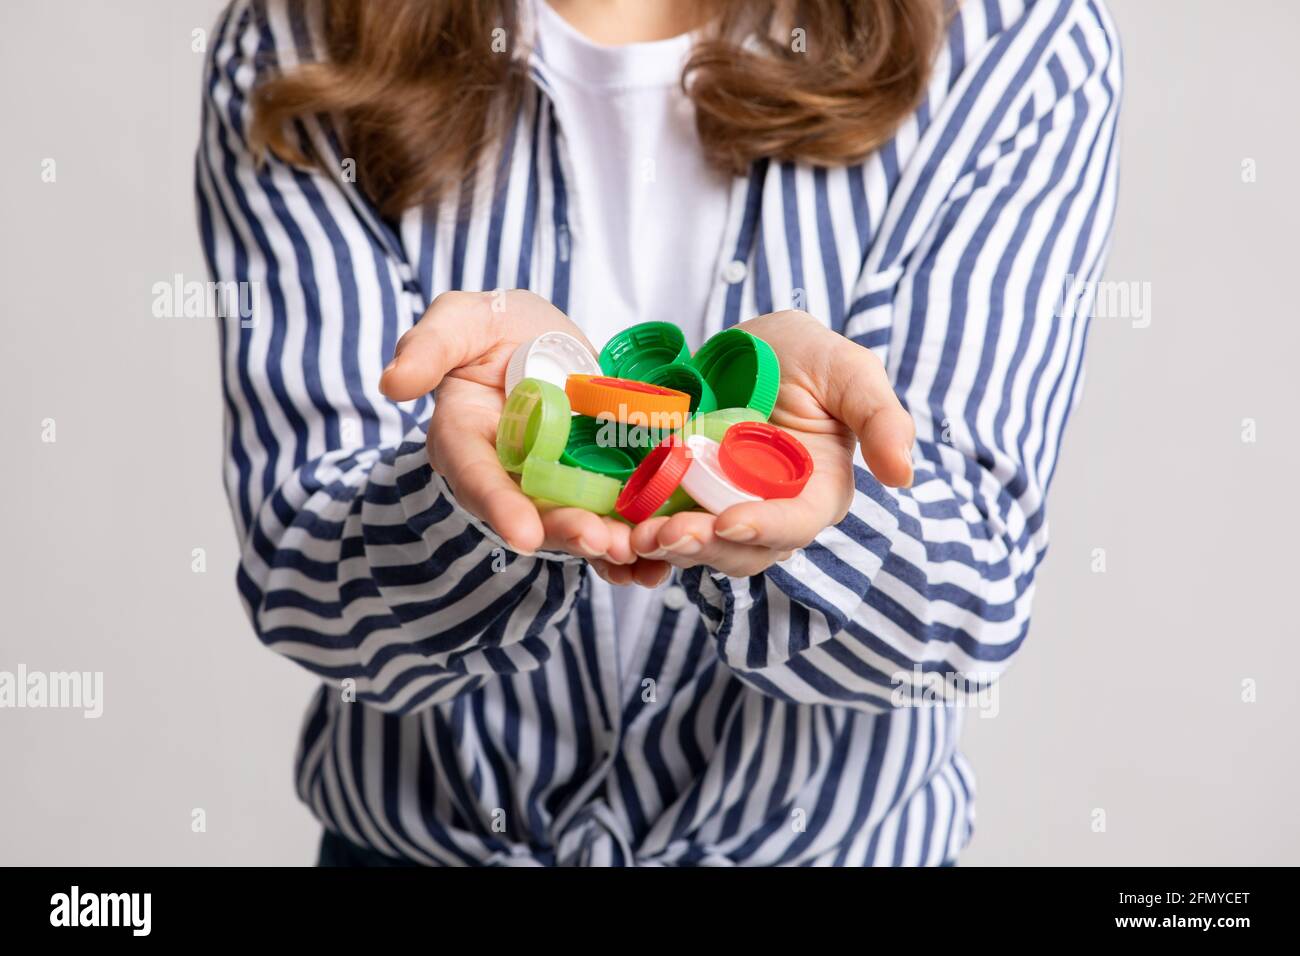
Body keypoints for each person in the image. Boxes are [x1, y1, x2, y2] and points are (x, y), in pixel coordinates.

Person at [197, 0, 1120, 865]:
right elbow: (302, 581)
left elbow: (974, 605)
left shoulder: (1016, 36)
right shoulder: (305, 31)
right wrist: (466, 496)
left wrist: (813, 510)